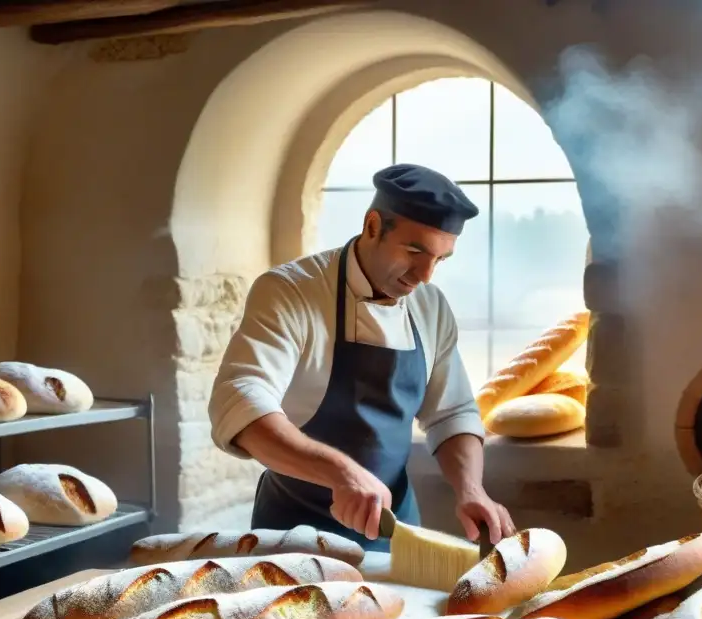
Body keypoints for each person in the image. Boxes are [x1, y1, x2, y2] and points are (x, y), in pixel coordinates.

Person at [208, 163, 516, 552]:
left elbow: (451, 412)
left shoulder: (430, 306)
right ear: (373, 225)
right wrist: (341, 472)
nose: (425, 275)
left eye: (440, 259)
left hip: (393, 529)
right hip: (293, 531)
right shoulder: (290, 291)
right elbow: (240, 399)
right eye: (415, 250)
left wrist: (471, 489)